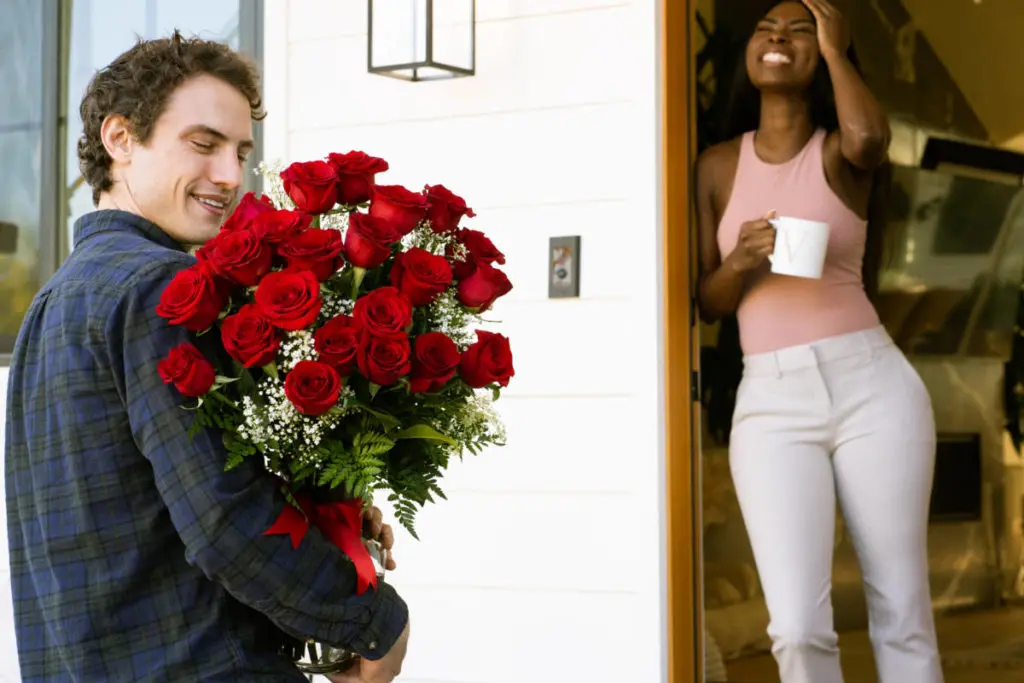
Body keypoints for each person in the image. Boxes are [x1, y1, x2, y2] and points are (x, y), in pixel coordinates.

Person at [5, 32, 409, 683]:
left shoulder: (52, 302)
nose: (230, 174)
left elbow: (151, 510)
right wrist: (368, 619)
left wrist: (321, 511)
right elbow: (224, 519)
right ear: (120, 139)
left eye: (241, 151)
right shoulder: (160, 290)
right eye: (203, 144)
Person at [695, 2, 942, 682]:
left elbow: (870, 136)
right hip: (771, 399)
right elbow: (707, 302)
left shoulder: (841, 151)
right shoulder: (716, 166)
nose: (779, 38)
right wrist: (742, 261)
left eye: (800, 29)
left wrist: (835, 48)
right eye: (768, 29)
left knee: (901, 607)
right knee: (798, 628)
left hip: (872, 386)